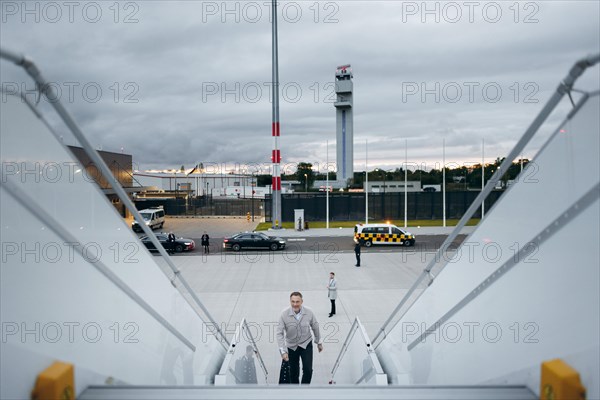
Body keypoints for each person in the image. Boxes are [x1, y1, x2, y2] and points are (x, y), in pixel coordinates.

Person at [276, 292, 323, 384]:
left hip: (306, 344)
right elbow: (279, 333)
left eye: (297, 302)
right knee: (293, 372)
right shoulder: (284, 314)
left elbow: (315, 327)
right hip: (291, 347)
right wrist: (283, 351)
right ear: (290, 301)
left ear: (302, 301)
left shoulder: (309, 312)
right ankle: (296, 391)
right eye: (293, 301)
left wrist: (319, 342)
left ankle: (304, 390)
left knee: (308, 370)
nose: (295, 304)